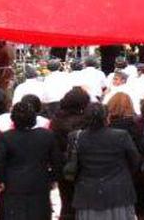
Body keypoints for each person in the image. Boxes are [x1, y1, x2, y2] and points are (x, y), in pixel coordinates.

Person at [0, 101, 62, 220]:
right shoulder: (46, 136)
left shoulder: (6, 137)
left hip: (13, 184)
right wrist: (53, 178)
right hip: (39, 181)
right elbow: (56, 160)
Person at [71, 102, 140, 220]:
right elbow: (135, 160)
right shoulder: (121, 136)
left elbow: (74, 165)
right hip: (118, 190)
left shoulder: (77, 137)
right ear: (106, 117)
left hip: (88, 191)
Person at [50, 87, 90, 220]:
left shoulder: (56, 120)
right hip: (85, 166)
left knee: (66, 202)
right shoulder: (87, 120)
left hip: (64, 165)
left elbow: (54, 147)